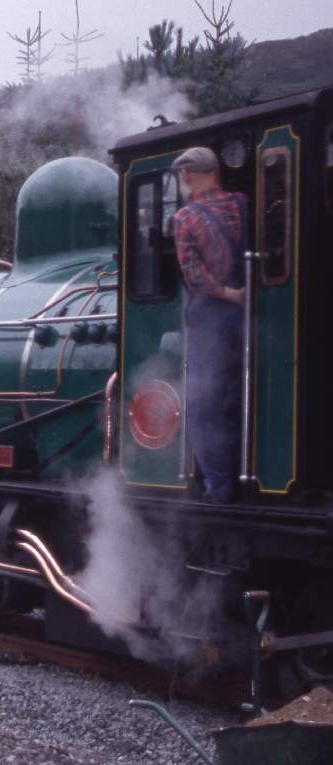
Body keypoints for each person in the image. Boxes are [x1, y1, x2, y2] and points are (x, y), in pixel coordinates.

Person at [172, 146, 247, 504]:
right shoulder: (244, 204)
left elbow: (194, 276)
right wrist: (241, 295)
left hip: (211, 318)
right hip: (248, 315)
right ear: (216, 170)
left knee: (203, 407)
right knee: (236, 397)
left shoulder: (185, 218)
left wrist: (227, 294)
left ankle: (219, 488)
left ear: (186, 177)